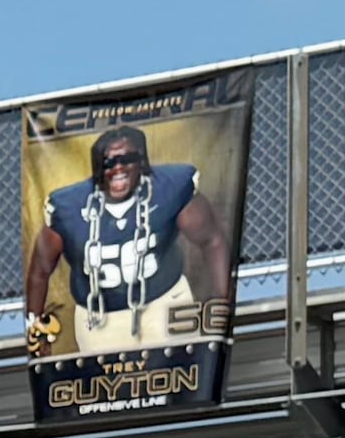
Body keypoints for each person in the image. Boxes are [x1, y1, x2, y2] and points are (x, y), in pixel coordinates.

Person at [24, 122, 234, 358]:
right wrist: (34, 328)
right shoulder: (69, 207)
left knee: (177, 384)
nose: (119, 168)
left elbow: (212, 240)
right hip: (99, 320)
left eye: (128, 158)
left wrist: (221, 301)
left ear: (142, 161)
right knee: (107, 391)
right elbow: (40, 270)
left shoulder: (169, 188)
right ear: (96, 168)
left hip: (164, 303)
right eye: (109, 162)